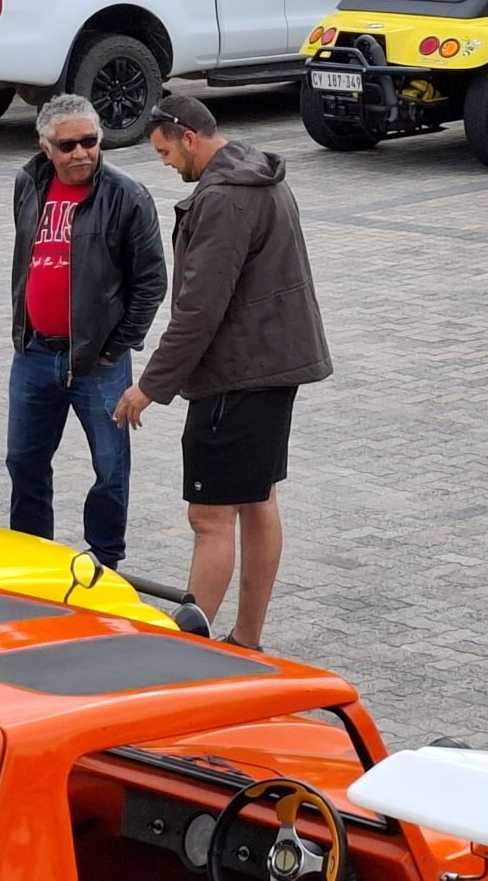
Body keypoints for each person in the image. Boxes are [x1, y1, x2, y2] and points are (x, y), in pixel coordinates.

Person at [113, 95, 332, 650]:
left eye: (164, 151)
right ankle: (246, 638)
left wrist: (149, 387)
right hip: (275, 366)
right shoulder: (261, 176)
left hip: (238, 373)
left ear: (189, 136)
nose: (164, 163)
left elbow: (199, 308)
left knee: (210, 517)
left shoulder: (223, 199)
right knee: (258, 501)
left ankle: (191, 651)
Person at [7, 93, 166, 569]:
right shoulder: (28, 184)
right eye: (68, 144)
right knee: (24, 462)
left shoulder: (128, 196)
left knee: (111, 469)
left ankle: (105, 561)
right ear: (45, 147)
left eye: (90, 142)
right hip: (34, 354)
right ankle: (33, 559)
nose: (81, 153)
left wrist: (114, 350)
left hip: (100, 365)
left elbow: (151, 283)